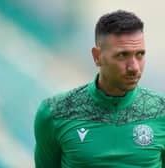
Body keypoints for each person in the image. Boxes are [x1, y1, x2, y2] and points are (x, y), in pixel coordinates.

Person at [34, 10, 165, 168]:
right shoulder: (54, 112)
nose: (134, 67)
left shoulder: (161, 111)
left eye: (140, 54)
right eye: (122, 55)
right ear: (97, 56)